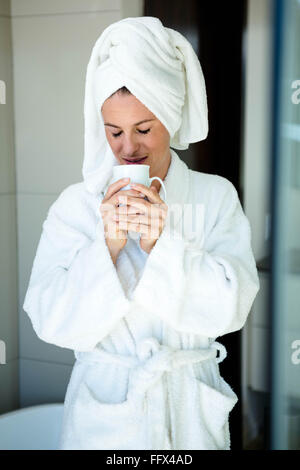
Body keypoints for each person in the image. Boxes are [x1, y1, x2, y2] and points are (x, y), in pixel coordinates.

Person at [22, 16, 260, 450]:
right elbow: (47, 318)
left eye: (144, 129)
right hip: (105, 414)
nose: (128, 147)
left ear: (170, 117)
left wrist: (161, 246)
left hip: (190, 412)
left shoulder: (215, 196)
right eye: (114, 131)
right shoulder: (77, 205)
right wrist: (107, 247)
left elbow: (233, 309)